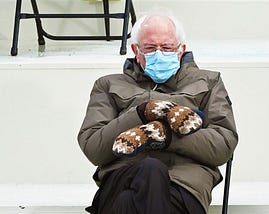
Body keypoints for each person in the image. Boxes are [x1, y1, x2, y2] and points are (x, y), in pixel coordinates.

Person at [78, 13, 238, 214]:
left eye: (167, 47)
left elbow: (222, 146)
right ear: (136, 50)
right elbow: (94, 148)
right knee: (149, 171)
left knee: (129, 200)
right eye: (151, 48)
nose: (160, 54)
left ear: (181, 50)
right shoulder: (108, 85)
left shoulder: (209, 82)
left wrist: (166, 137)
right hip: (123, 177)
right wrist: (141, 112)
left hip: (183, 186)